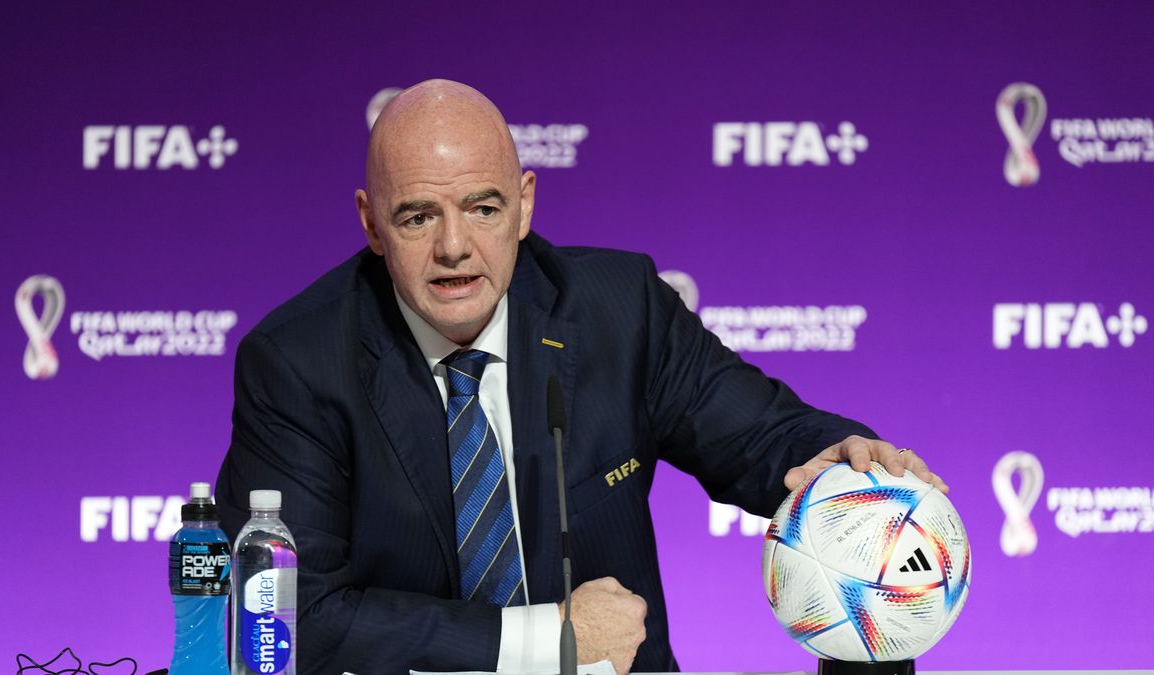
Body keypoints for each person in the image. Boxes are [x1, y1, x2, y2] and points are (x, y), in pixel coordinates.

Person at [215, 79, 946, 675]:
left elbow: (761, 435)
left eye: (483, 207)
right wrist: (545, 640)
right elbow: (282, 616)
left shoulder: (617, 310)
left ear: (525, 203)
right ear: (371, 225)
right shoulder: (300, 362)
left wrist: (843, 459)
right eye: (416, 217)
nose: (454, 247)